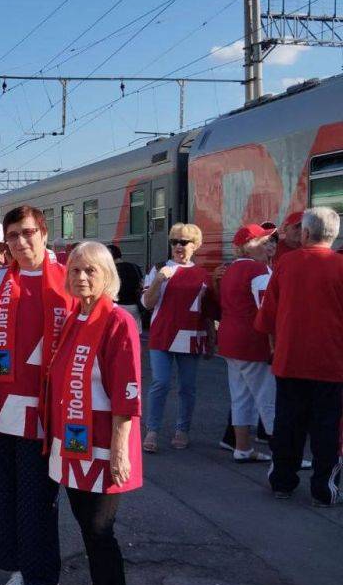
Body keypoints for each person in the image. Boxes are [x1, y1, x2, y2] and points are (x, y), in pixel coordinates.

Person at [46, 241, 142, 585]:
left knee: (102, 533)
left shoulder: (118, 321)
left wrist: (120, 451)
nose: (81, 277)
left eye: (91, 270)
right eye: (76, 270)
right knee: (86, 528)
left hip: (105, 448)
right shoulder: (75, 317)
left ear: (108, 276)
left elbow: (126, 395)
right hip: (74, 445)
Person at [0, 205, 74, 585]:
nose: (20, 242)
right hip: (2, 407)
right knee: (6, 494)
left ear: (44, 233)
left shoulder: (69, 280)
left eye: (27, 233)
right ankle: (17, 567)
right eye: (13, 236)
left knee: (38, 496)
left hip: (45, 409)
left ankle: (43, 572)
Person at [255, 207, 343, 507]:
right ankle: (324, 488)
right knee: (327, 428)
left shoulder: (286, 263)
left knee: (288, 424)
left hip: (290, 360)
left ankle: (282, 481)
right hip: (332, 363)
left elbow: (268, 314)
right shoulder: (341, 266)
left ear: (305, 233)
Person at [140, 223, 216, 452]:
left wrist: (211, 338)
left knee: (187, 387)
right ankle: (152, 430)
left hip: (191, 336)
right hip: (162, 335)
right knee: (160, 383)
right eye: (174, 241)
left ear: (196, 245)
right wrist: (158, 280)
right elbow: (147, 304)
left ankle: (182, 429)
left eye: (184, 242)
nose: (178, 246)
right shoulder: (159, 268)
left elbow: (207, 311)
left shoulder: (203, 274)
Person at [218, 224, 276, 464]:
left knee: (240, 396)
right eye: (263, 242)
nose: (269, 246)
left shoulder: (231, 270)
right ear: (248, 247)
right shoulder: (258, 271)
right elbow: (268, 311)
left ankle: (242, 447)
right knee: (269, 398)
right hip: (253, 342)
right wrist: (274, 345)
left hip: (230, 340)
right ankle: (284, 457)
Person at [106, 243, 143, 323]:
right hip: (134, 306)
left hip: (118, 306)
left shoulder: (110, 270)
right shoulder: (134, 266)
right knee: (135, 333)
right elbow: (141, 284)